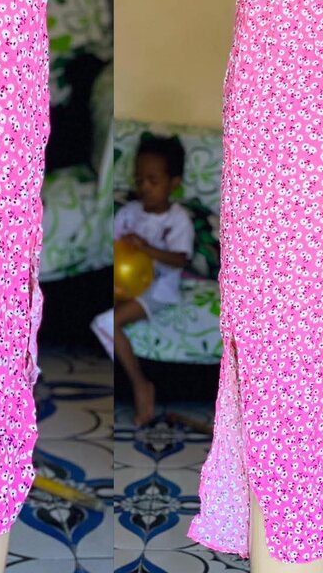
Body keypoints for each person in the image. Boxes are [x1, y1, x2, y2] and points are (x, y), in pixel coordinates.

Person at [112, 133, 194, 425]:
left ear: (174, 183)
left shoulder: (177, 219)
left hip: (159, 289)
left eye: (153, 180)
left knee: (111, 322)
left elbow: (181, 259)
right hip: (125, 285)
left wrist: (145, 249)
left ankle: (140, 385)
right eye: (139, 179)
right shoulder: (128, 213)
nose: (144, 186)